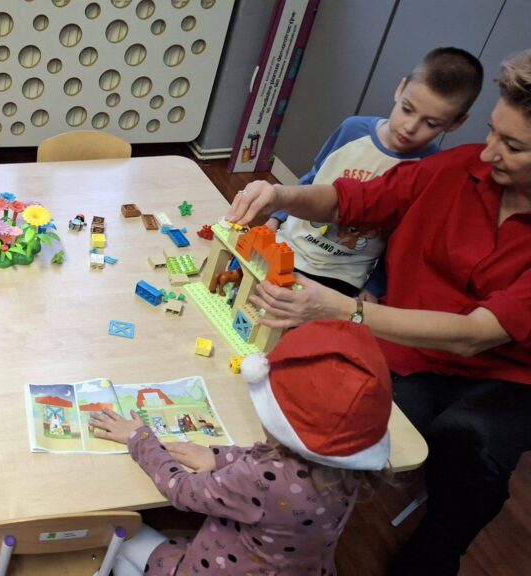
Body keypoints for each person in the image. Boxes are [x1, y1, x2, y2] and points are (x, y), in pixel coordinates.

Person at [227, 49, 531, 576]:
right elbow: (354, 201)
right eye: (491, 132)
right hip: (410, 351)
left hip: (504, 376)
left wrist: (346, 310)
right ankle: (287, 517)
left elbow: (475, 334)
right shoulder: (459, 168)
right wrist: (279, 194)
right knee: (335, 412)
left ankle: (436, 554)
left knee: (470, 446)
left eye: (513, 146)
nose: (487, 154)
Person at [89, 320, 392, 575]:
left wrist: (139, 438)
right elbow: (272, 462)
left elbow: (180, 489)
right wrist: (218, 456)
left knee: (121, 533)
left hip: (215, 569)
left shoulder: (260, 478)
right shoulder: (350, 465)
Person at [265, 47, 482, 299]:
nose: (410, 127)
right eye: (407, 109)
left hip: (342, 275)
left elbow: (406, 238)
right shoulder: (352, 129)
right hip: (288, 245)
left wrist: (375, 286)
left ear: (456, 122)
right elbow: (313, 178)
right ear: (401, 88)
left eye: (431, 123)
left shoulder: (432, 168)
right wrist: (277, 217)